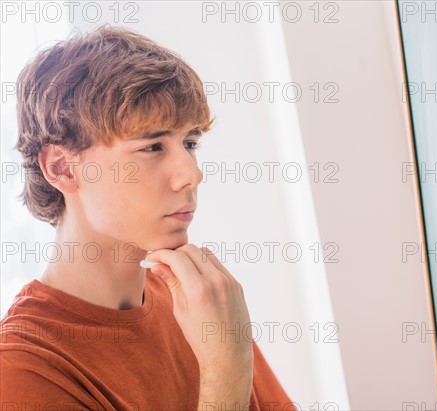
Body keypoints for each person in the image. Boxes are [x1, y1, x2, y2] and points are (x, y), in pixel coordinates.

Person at [0, 25, 296, 411]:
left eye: (190, 143)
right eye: (152, 146)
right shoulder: (22, 370)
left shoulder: (197, 301)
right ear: (62, 168)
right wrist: (225, 369)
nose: (191, 173)